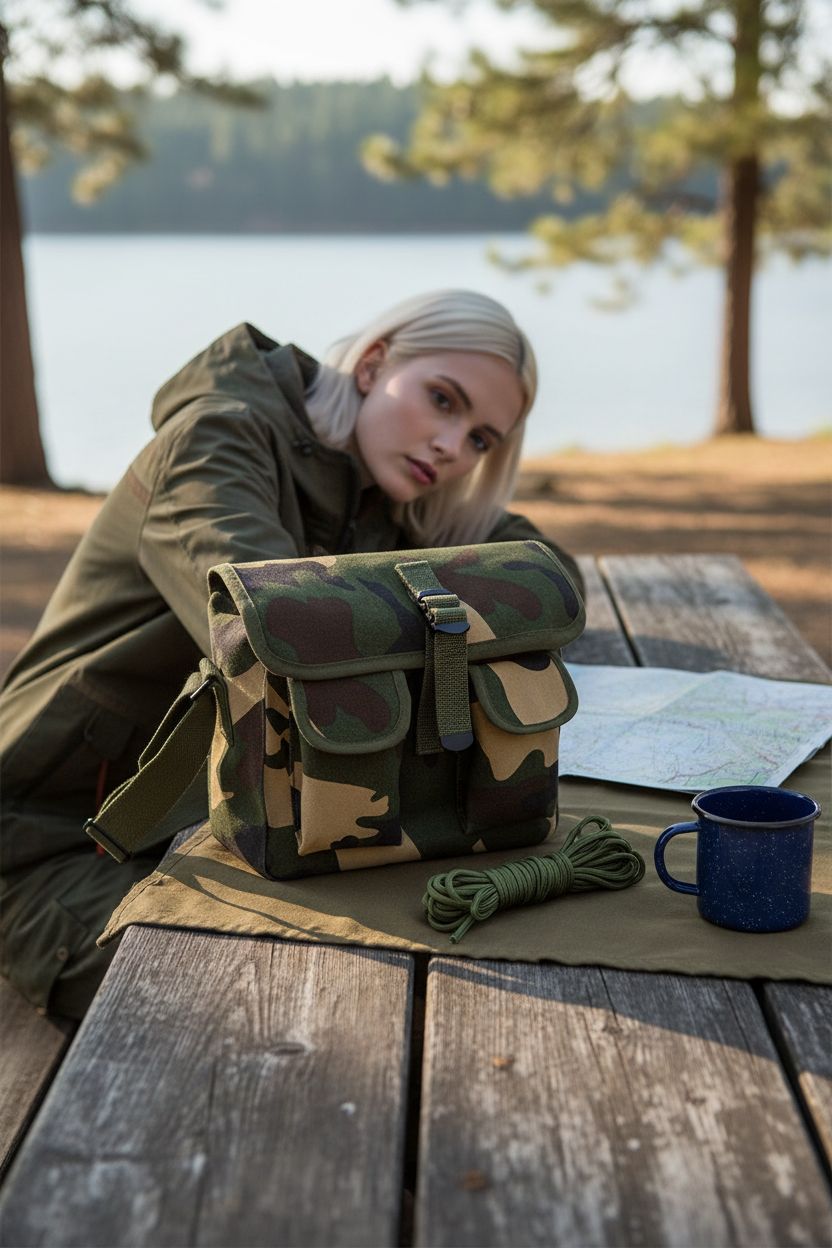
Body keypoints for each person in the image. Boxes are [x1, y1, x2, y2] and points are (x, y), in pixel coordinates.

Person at [0, 288, 583, 1020]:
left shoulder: (376, 491)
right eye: (442, 400)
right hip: (56, 838)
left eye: (481, 440)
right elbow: (271, 634)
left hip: (234, 826)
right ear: (373, 364)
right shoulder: (218, 440)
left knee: (451, 954)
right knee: (286, 1007)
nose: (452, 446)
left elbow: (548, 579)